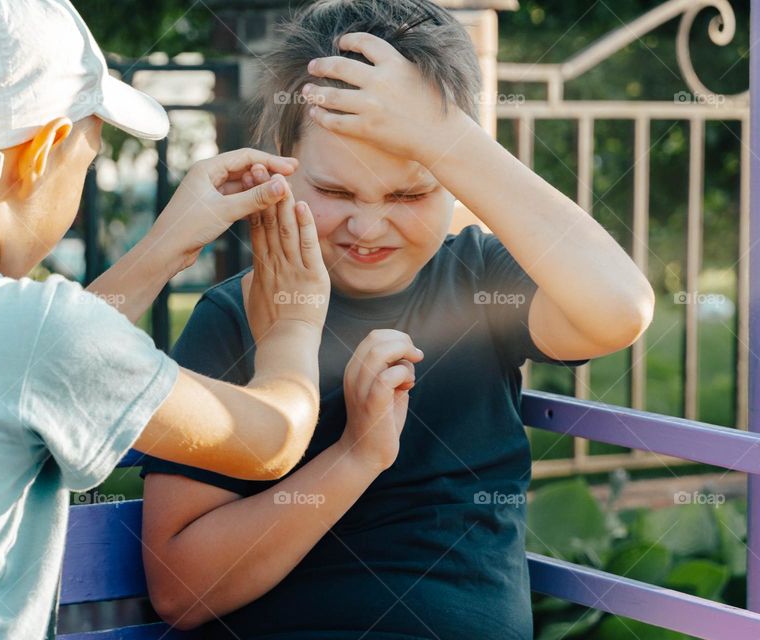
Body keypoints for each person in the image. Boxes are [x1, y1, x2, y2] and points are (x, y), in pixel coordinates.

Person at [0, 1, 331, 638]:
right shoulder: (35, 333)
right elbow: (269, 440)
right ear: (42, 152)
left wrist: (164, 248)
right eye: (86, 161)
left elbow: (34, 362)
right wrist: (296, 321)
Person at [138, 1, 655, 638]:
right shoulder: (236, 317)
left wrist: (448, 137)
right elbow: (181, 590)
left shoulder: (481, 283)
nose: (368, 227)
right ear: (281, 164)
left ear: (453, 178)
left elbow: (620, 309)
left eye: (409, 194)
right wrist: (354, 459)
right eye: (334, 193)